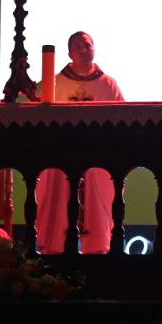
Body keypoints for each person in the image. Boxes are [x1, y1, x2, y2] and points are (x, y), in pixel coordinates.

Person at [36, 31, 125, 254]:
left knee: (98, 210)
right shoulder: (54, 83)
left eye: (88, 45)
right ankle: (54, 253)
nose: (84, 50)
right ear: (69, 54)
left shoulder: (108, 84)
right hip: (61, 159)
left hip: (97, 161)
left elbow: (122, 121)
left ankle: (97, 251)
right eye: (78, 46)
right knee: (57, 205)